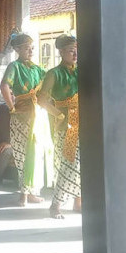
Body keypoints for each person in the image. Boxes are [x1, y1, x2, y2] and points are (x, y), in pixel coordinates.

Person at [0, 33, 52, 206]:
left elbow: (51, 84)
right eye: (25, 47)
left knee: (36, 154)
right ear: (17, 50)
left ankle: (31, 193)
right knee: (23, 154)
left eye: (31, 47)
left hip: (39, 116)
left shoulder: (37, 69)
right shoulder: (14, 66)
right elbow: (4, 85)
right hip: (22, 116)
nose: (30, 50)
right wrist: (11, 107)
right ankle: (23, 194)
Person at [38, 34, 81, 219]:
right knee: (69, 163)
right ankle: (56, 204)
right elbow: (41, 100)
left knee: (83, 163)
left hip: (84, 121)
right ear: (61, 52)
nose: (75, 53)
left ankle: (79, 201)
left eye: (77, 49)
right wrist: (59, 114)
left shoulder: (80, 71)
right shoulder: (53, 73)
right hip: (66, 125)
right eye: (71, 50)